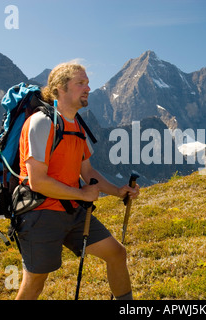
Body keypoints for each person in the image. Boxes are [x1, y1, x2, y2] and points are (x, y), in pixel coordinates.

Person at [14, 61, 139, 300]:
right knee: (35, 282)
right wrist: (82, 195)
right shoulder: (41, 123)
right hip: (40, 214)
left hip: (72, 211)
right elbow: (37, 182)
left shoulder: (77, 126)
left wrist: (118, 191)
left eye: (87, 83)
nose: (88, 88)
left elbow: (88, 173)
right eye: (80, 83)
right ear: (60, 88)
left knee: (116, 253)